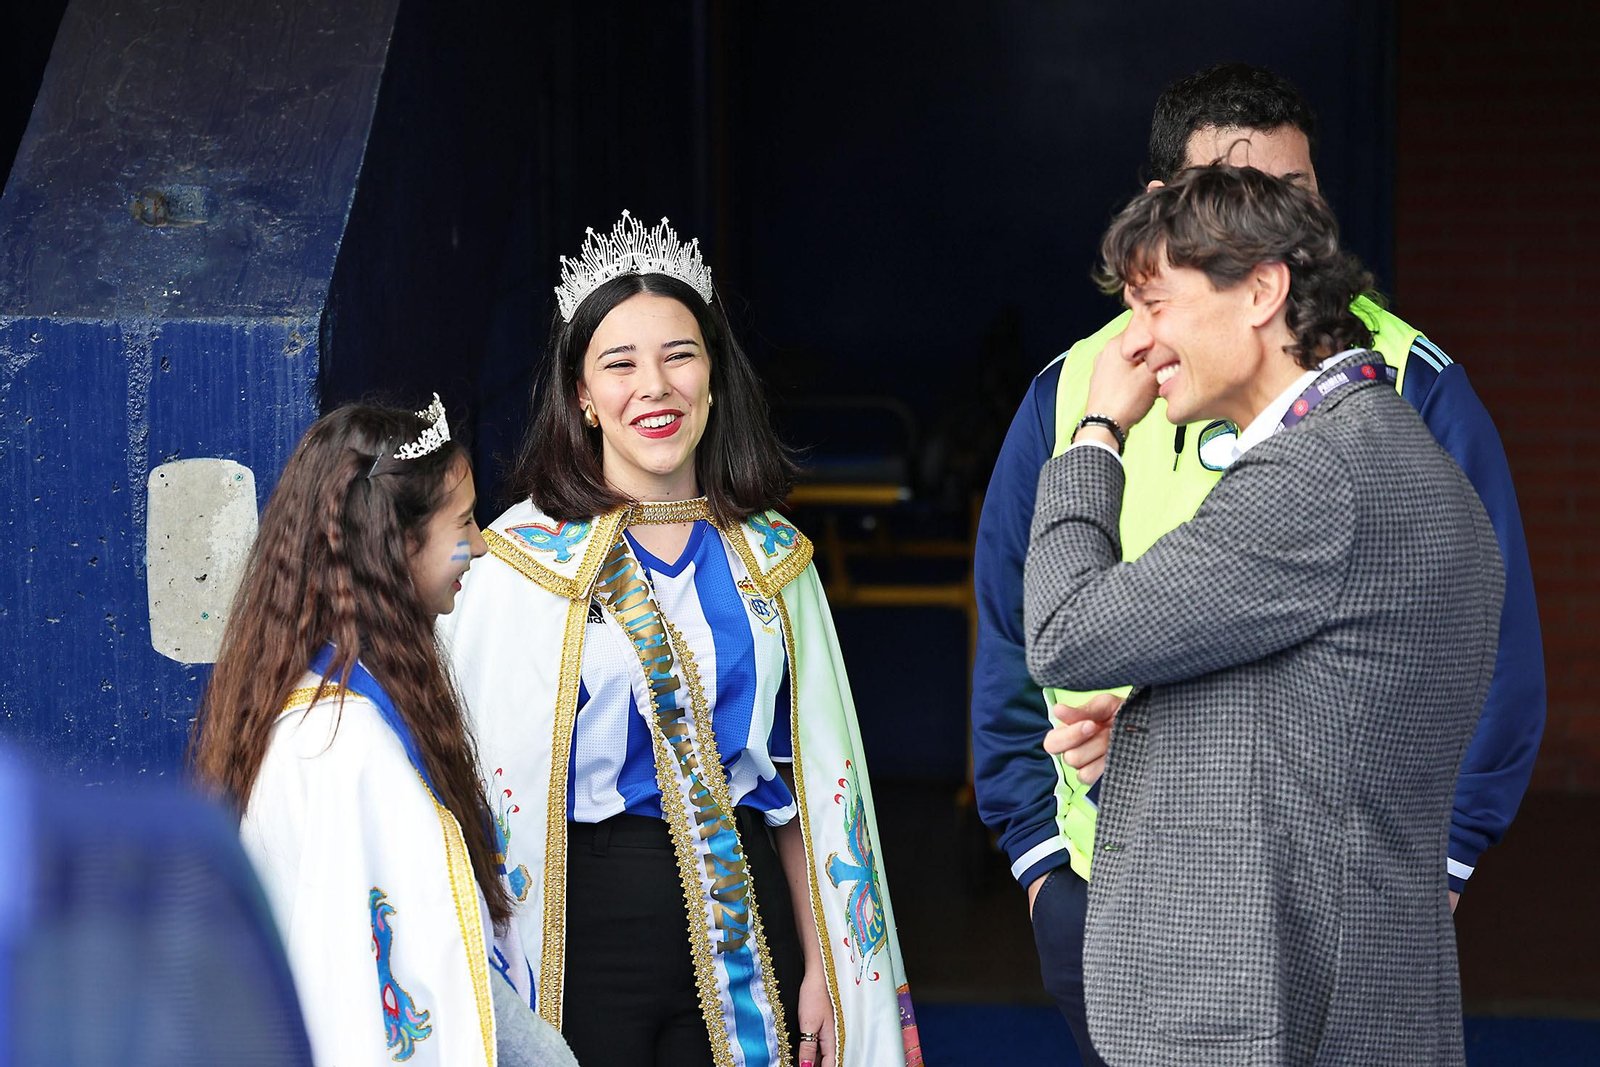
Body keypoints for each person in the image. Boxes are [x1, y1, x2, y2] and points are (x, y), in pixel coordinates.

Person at [970, 62, 1543, 1065]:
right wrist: (1145, 741)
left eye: (1158, 302)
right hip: (1257, 964)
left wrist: (1101, 428)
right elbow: (1339, 708)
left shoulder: (1323, 469)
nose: (1134, 339)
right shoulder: (1370, 441)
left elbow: (1060, 629)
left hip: (1256, 992)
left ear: (1265, 287)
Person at [439, 212, 922, 1067]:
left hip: (749, 918)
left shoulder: (774, 559)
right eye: (619, 364)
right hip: (578, 925)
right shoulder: (516, 560)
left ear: (713, 379)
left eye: (679, 355)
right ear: (583, 395)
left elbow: (806, 788)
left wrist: (824, 966)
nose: (652, 386)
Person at [190, 399, 577, 1066]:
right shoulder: (341, 744)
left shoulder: (329, 713)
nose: (479, 544)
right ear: (395, 546)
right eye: (463, 522)